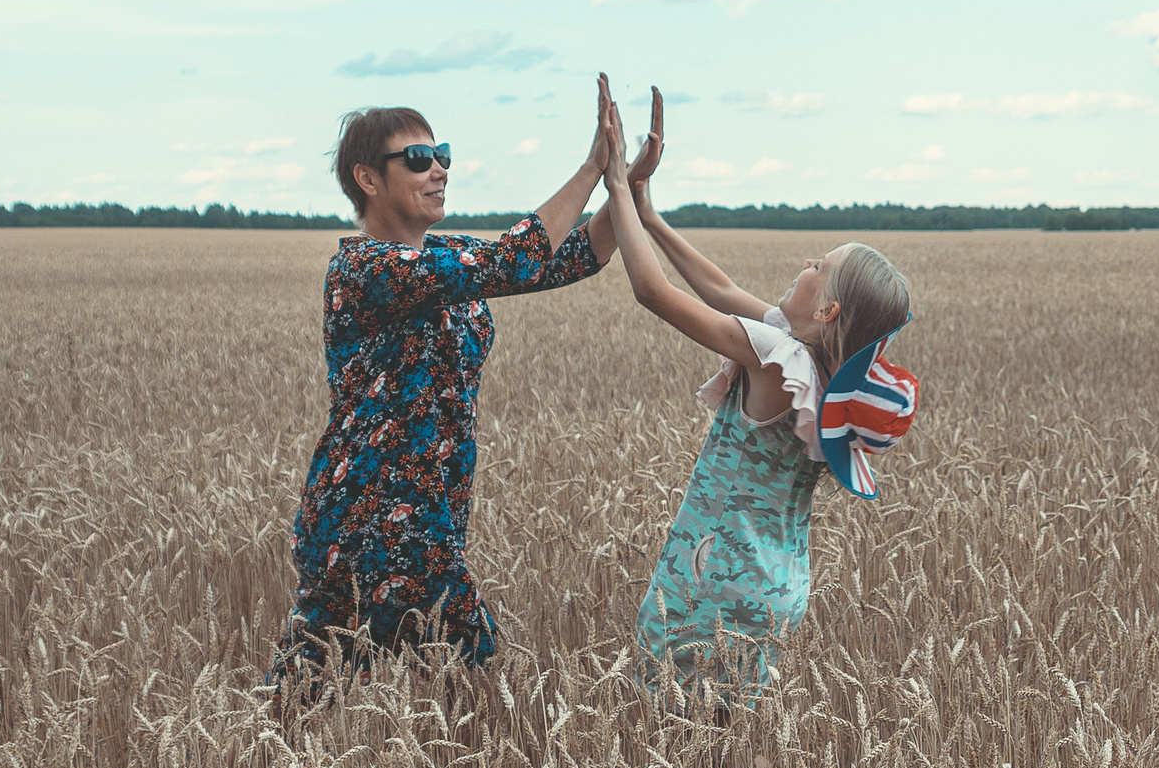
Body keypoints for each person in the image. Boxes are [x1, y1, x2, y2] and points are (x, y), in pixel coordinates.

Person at [267, 80, 622, 694]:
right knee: (453, 693)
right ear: (368, 179)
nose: (438, 171)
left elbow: (575, 255)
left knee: (333, 701)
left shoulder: (446, 256)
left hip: (433, 518)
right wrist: (592, 167)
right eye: (418, 159)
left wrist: (627, 182)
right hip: (368, 520)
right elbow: (514, 260)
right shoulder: (366, 269)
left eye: (443, 156)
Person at [596, 82, 919, 689]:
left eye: (817, 268)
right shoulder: (822, 378)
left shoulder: (776, 358)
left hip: (710, 577)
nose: (804, 264)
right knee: (742, 735)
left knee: (670, 731)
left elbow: (653, 292)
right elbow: (718, 289)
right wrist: (649, 213)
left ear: (827, 311)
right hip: (774, 583)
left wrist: (615, 185)